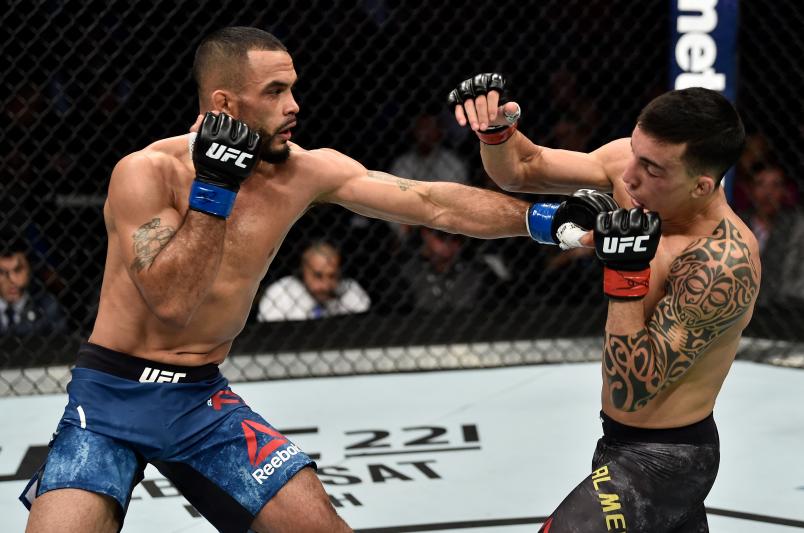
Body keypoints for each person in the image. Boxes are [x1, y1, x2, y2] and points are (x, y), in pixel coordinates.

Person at [20, 28, 612, 533]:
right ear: (225, 103)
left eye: (292, 87)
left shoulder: (302, 170)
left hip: (197, 396)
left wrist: (545, 219)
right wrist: (215, 188)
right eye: (275, 91)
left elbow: (430, 203)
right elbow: (172, 301)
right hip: (111, 394)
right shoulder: (146, 173)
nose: (293, 104)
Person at [450, 74, 760, 532]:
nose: (629, 175)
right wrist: (497, 134)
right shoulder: (633, 166)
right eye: (635, 151)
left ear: (701, 186)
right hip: (617, 442)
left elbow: (631, 388)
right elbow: (522, 169)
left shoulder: (722, 262)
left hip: (667, 460)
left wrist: (627, 272)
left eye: (652, 169)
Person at [738, 165, 804, 306]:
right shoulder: (738, 223)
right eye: (760, 184)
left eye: (776, 185)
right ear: (750, 189)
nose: (768, 193)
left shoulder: (794, 227)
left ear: (785, 191)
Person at [256, 240, 370, 321]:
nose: (326, 286)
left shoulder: (351, 291)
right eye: (318, 276)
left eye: (332, 276)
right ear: (302, 272)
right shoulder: (280, 293)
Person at [0, 237, 67, 336]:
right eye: (1, 272)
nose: (11, 280)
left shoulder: (48, 306)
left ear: (29, 270)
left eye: (18, 270)